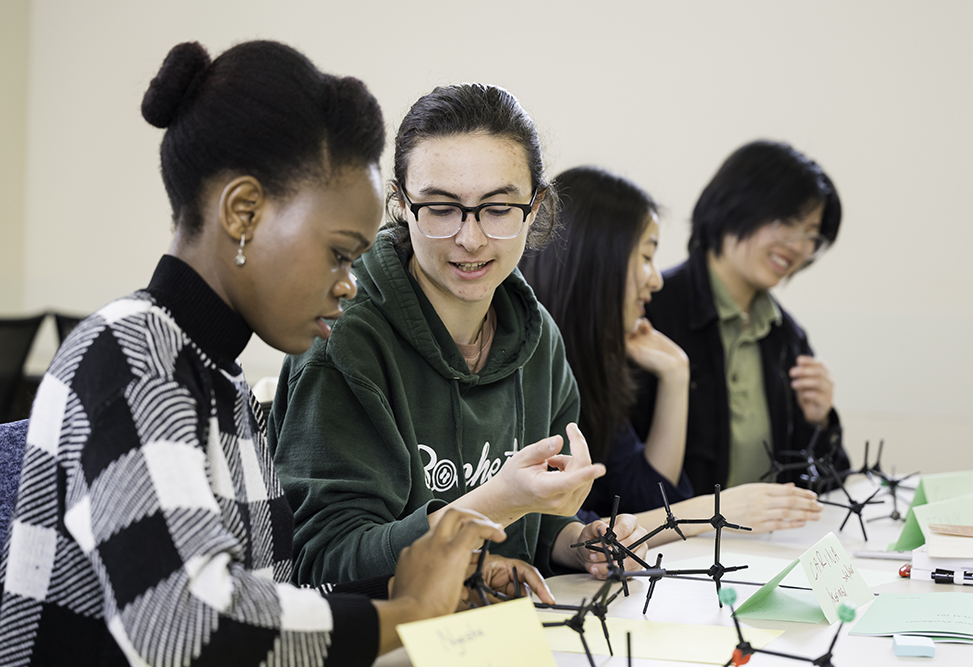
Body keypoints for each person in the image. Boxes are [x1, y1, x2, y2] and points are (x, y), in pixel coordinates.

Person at [0, 41, 551, 667]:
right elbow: (186, 628)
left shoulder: (217, 379)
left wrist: (408, 589)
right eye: (340, 252)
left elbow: (265, 600)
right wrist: (405, 616)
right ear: (243, 213)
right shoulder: (132, 356)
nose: (349, 282)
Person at [268, 84, 646, 587]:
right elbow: (325, 562)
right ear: (401, 205)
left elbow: (536, 524)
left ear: (535, 208)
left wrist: (577, 543)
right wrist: (498, 501)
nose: (470, 238)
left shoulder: (536, 336)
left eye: (498, 208)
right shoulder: (344, 338)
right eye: (442, 208)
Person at [522, 166, 824, 544]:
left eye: (811, 235)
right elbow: (567, 535)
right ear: (600, 260)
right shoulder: (532, 365)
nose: (656, 278)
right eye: (646, 256)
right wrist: (715, 511)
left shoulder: (595, 360)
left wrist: (676, 375)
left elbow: (647, 497)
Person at [631, 140, 849, 501]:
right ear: (735, 204)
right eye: (786, 222)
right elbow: (624, 476)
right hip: (678, 545)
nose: (798, 246)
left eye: (812, 234)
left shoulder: (787, 336)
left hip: (764, 546)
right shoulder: (652, 311)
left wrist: (821, 422)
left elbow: (824, 489)